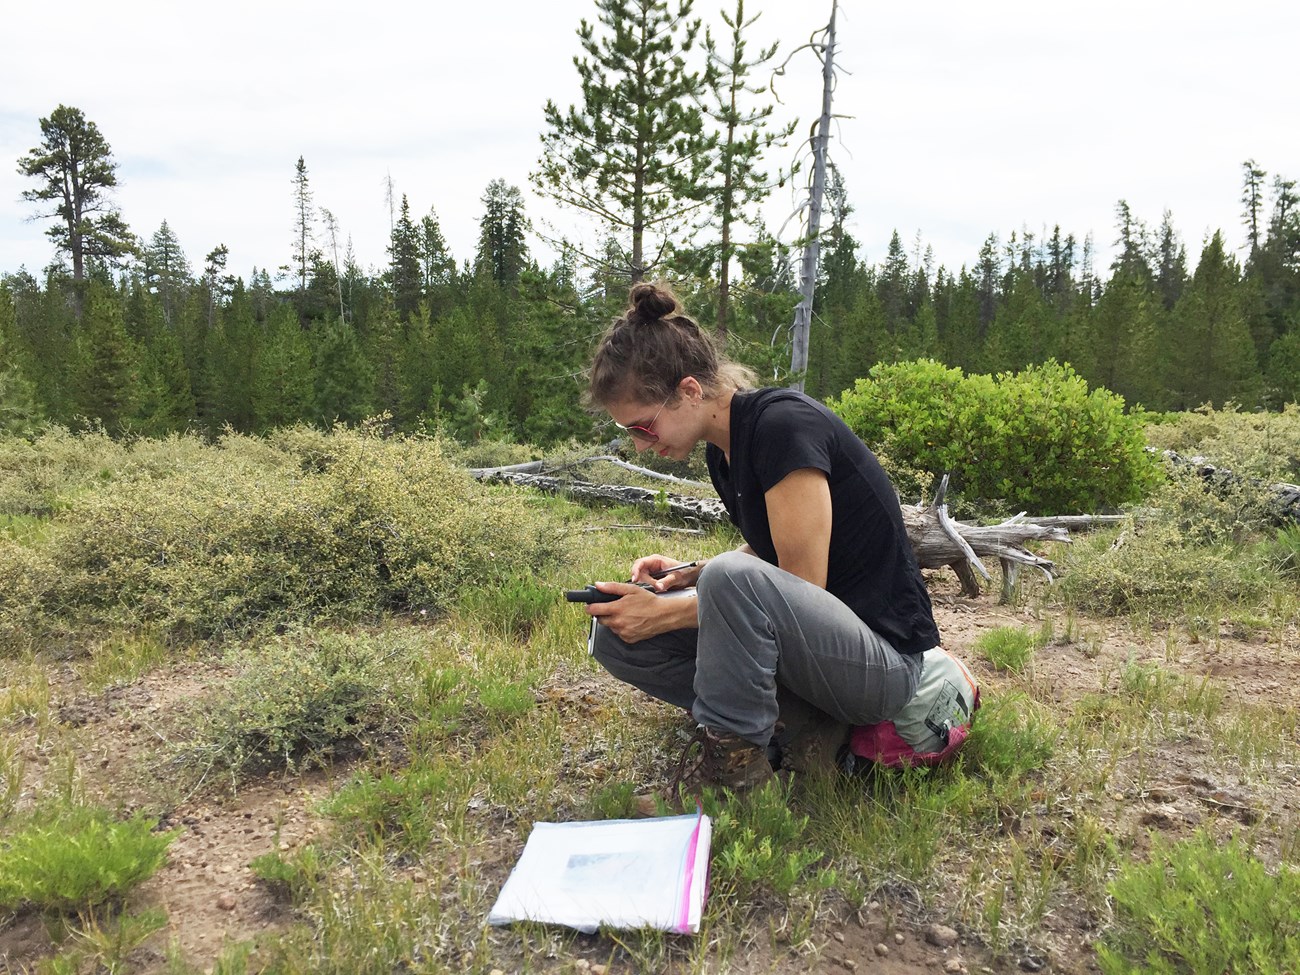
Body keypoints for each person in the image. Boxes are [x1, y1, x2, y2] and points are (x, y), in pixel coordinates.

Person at [585, 281, 962, 798]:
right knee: (616, 635)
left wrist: (673, 609)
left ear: (690, 391)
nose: (640, 445)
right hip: (820, 658)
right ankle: (805, 731)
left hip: (883, 666)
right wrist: (693, 572)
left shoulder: (783, 429)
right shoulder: (725, 450)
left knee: (718, 586)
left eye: (644, 428)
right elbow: (774, 550)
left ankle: (732, 781)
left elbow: (802, 583)